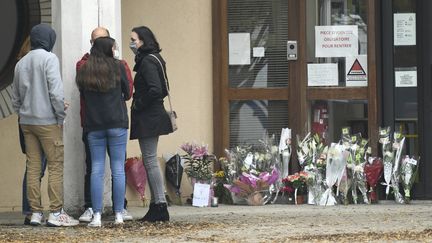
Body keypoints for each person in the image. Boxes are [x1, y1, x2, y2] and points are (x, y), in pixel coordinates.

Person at [11, 23, 79, 227]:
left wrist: (24, 113)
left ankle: (35, 213)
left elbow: (15, 98)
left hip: (27, 122)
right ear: (49, 39)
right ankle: (56, 213)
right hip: (48, 122)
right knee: (55, 166)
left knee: (32, 167)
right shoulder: (49, 59)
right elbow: (56, 93)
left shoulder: (20, 63)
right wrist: (60, 116)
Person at [76, 27, 134, 222]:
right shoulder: (119, 66)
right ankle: (118, 214)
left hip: (94, 125)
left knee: (96, 169)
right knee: (118, 168)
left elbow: (82, 95)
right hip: (116, 122)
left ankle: (97, 215)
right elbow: (128, 93)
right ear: (110, 48)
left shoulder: (84, 68)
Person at [129, 26, 174, 222]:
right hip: (152, 116)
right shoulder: (153, 58)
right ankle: (157, 204)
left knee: (149, 160)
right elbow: (164, 89)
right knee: (150, 160)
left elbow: (156, 90)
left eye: (134, 40)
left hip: (148, 117)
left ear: (143, 41)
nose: (132, 43)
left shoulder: (147, 61)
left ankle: (160, 205)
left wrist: (139, 103)